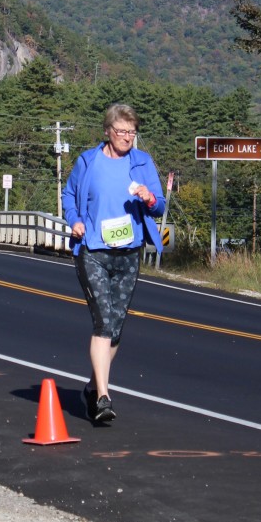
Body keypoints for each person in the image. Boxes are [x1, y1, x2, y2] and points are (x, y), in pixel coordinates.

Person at [62, 103, 164, 424]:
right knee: (104, 322)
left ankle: (92, 388)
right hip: (93, 250)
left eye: (132, 132)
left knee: (116, 328)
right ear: (107, 131)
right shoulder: (88, 161)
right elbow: (69, 195)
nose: (127, 137)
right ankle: (103, 398)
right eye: (121, 131)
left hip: (129, 252)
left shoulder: (142, 162)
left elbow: (159, 205)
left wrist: (149, 198)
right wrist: (75, 221)